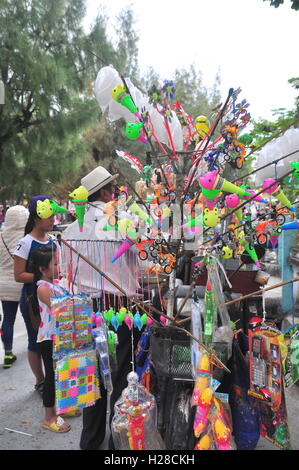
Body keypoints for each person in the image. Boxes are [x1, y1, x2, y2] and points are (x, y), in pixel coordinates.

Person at [62, 166, 142, 450]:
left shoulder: (72, 228)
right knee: (122, 377)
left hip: (85, 308)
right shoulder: (121, 222)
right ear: (107, 192)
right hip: (119, 308)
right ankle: (116, 444)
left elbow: (64, 271)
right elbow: (143, 264)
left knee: (91, 378)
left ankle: (90, 442)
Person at [13, 195, 59, 395]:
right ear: (35, 218)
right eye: (48, 217)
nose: (52, 220)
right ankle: (41, 381)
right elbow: (19, 275)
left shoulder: (54, 240)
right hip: (33, 300)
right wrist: (42, 277)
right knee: (36, 340)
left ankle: (53, 378)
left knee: (52, 341)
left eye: (53, 216)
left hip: (54, 298)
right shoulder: (25, 243)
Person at [31, 245, 79, 432]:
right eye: (56, 263)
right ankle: (49, 416)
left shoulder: (56, 283)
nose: (60, 266)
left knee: (62, 373)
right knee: (51, 376)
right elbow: (59, 310)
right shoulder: (43, 288)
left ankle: (62, 407)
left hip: (61, 336)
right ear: (42, 269)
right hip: (49, 338)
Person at [0, 205, 29, 368]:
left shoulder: (1, 236)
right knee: (30, 316)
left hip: (3, 284)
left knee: (8, 319)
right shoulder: (26, 236)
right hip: (22, 282)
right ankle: (34, 345)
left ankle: (8, 353)